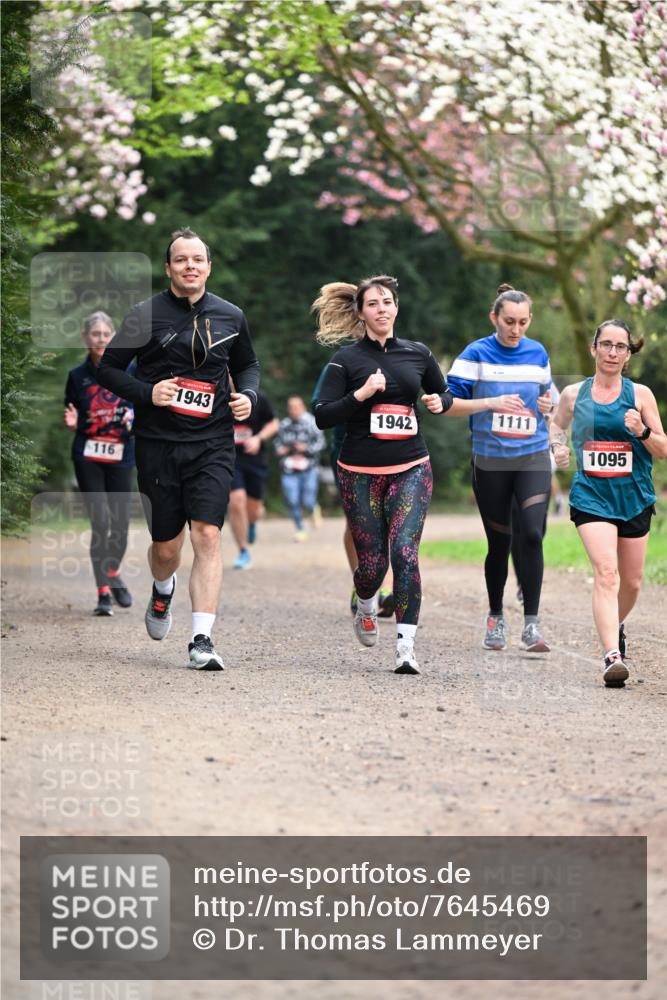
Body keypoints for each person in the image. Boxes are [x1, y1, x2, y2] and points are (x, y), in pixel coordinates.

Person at [313, 275, 522, 675]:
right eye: (372, 303)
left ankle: (406, 647)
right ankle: (366, 601)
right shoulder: (346, 361)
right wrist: (360, 395)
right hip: (359, 471)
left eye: (387, 302)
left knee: (405, 555)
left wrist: (437, 401)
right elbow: (322, 415)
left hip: (411, 466)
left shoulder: (417, 353)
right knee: (372, 564)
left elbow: (445, 396)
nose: (381, 309)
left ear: (396, 307)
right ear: (360, 312)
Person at [97, 228, 260, 670]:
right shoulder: (144, 315)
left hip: (212, 441)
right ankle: (162, 588)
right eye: (181, 260)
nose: (190, 266)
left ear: (209, 266)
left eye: (198, 259)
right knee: (166, 547)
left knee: (206, 534)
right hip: (158, 443)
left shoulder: (231, 315)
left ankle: (201, 639)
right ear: (168, 268)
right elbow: (109, 370)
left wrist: (248, 394)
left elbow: (247, 364)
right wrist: (148, 393)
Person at [549, 319, 666, 686]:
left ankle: (615, 624)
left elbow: (662, 449)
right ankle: (611, 656)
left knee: (631, 583)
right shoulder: (573, 394)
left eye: (621, 347)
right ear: (594, 348)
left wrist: (642, 431)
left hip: (633, 498)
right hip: (591, 497)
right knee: (607, 572)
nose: (613, 352)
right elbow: (556, 424)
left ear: (629, 354)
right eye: (607, 345)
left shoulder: (640, 396)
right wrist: (558, 448)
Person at [441, 284, 554, 653]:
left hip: (532, 455)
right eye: (509, 321)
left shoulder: (537, 353)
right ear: (494, 318)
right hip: (490, 461)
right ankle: (495, 616)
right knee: (499, 543)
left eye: (523, 322)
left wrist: (548, 405)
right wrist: (491, 402)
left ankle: (532, 625)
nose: (516, 329)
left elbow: (546, 399)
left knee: (533, 535)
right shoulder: (475, 354)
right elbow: (448, 403)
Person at [63, 311, 135, 616]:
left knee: (119, 527)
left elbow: (143, 402)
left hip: (121, 455)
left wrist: (136, 418)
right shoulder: (77, 376)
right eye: (96, 334)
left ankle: (113, 571)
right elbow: (72, 412)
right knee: (101, 523)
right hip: (88, 455)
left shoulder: (130, 369)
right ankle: (103, 593)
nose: (101, 340)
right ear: (86, 338)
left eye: (107, 334)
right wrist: (72, 422)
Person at [312, 360, 395, 618]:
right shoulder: (341, 363)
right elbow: (323, 410)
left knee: (389, 520)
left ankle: (386, 590)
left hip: (391, 450)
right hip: (349, 451)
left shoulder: (399, 357)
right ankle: (362, 584)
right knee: (357, 522)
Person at [228, 389, 279, 569]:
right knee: (236, 500)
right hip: (229, 459)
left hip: (255, 460)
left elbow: (274, 423)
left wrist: (258, 438)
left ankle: (251, 522)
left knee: (254, 509)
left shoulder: (257, 397)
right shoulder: (218, 395)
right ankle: (243, 551)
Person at [274, 395, 325, 542]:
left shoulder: (312, 423)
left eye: (297, 407)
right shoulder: (284, 425)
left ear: (303, 407)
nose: (294, 410)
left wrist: (306, 448)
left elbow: (321, 443)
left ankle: (313, 509)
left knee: (308, 501)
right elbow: (277, 444)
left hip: (309, 469)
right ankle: (300, 529)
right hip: (289, 470)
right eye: (291, 407)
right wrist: (281, 450)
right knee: (292, 500)